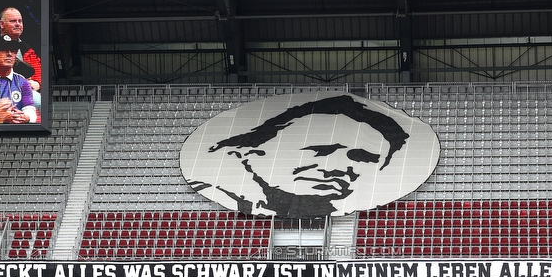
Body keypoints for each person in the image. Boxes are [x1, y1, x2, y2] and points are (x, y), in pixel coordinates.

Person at [184, 92, 432, 218]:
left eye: (362, 158)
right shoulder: (219, 188)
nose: (339, 167)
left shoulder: (337, 205)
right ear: (254, 153)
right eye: (322, 150)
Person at [0, 7, 41, 102]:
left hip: (26, 92)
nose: (18, 24)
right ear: (1, 24)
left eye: (20, 21)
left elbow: (39, 73)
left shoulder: (28, 50)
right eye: (13, 21)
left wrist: (37, 83)